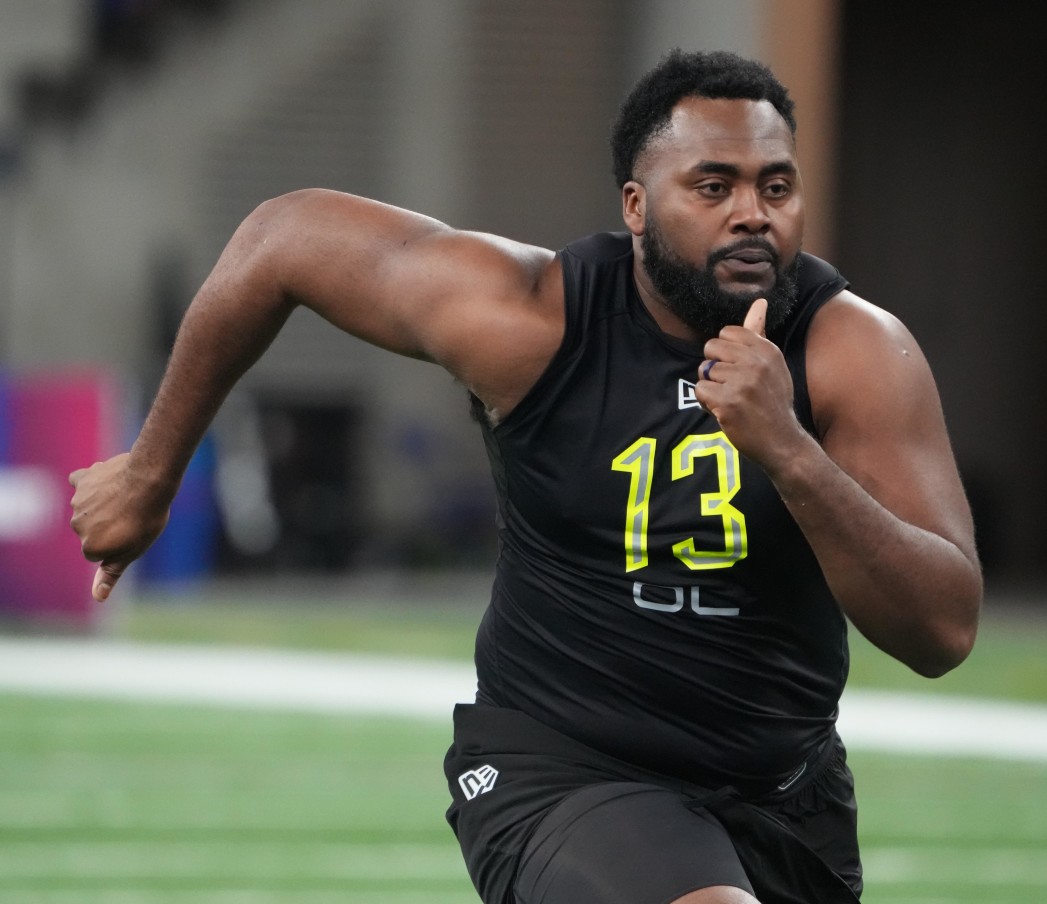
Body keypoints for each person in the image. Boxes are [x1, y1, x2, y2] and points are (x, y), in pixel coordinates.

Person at [69, 49, 982, 904]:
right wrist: (152, 474)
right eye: (714, 186)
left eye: (775, 186)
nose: (754, 213)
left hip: (784, 789)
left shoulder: (854, 351)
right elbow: (282, 241)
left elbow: (942, 629)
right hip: (560, 768)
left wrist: (788, 449)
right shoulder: (535, 320)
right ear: (635, 205)